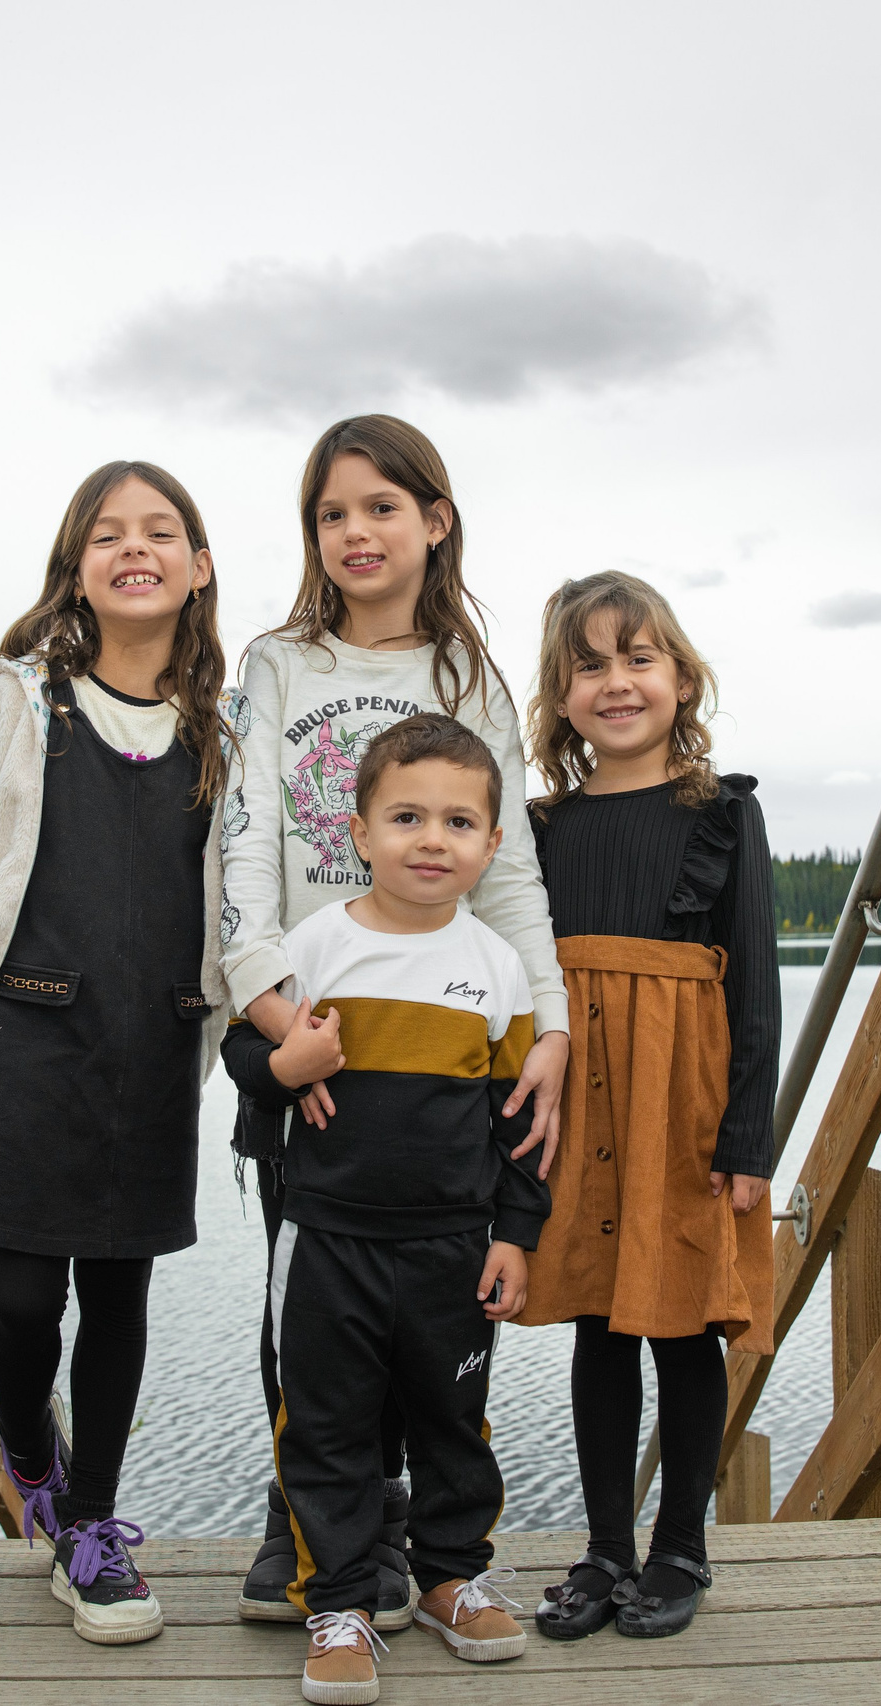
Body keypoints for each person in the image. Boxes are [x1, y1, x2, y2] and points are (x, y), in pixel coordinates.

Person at [221, 415, 572, 1628]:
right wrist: (278, 1022)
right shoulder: (278, 663)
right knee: (307, 1294)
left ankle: (415, 1556)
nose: (356, 532)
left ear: (435, 520)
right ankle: (311, 1530)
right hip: (307, 1014)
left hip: (444, 1022)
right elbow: (244, 847)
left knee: (424, 1319)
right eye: (332, 513)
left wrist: (554, 1029)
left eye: (381, 506)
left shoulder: (469, 680)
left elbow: (514, 868)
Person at [0, 460, 238, 1645]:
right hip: (29, 1033)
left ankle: (91, 1528)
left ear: (198, 567)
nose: (136, 548)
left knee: (119, 1291)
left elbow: (229, 891)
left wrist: (201, 1019)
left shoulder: (221, 729)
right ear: (77, 568)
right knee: (21, 1294)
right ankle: (22, 1437)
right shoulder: (20, 699)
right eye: (109, 534)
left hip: (153, 1039)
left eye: (162, 532)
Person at [222, 713, 547, 1705]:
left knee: (454, 1419)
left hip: (450, 1247)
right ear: (358, 832)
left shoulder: (498, 967)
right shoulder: (313, 947)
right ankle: (342, 1602)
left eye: (458, 820)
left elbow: (518, 1125)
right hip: (327, 1242)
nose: (431, 838)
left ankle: (452, 1574)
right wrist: (285, 1064)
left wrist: (515, 1234)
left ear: (492, 844)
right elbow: (246, 1058)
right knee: (327, 1426)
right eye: (406, 816)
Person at [514, 570, 782, 1641]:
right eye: (589, 665)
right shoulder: (544, 826)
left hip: (686, 1097)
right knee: (596, 1315)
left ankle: (680, 1545)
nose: (616, 682)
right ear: (561, 694)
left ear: (680, 677)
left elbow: (755, 979)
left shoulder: (722, 813)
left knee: (680, 1321)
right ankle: (604, 1548)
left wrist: (747, 1134)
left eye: (638, 659)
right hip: (583, 1094)